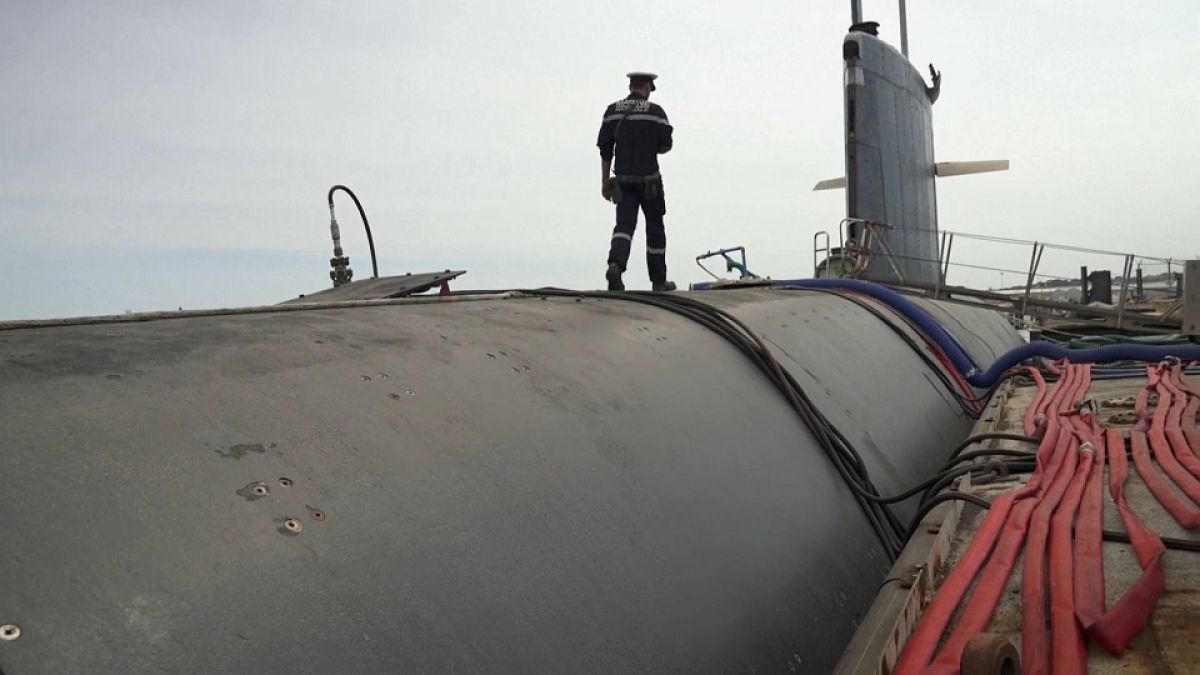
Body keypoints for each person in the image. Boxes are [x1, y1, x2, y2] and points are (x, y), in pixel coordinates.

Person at [596, 71, 676, 291]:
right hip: (650, 182)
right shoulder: (656, 112)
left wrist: (605, 182)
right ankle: (658, 281)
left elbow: (605, 149)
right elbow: (666, 146)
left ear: (631, 86)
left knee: (624, 226)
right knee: (655, 227)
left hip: (622, 180)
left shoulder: (612, 111)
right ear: (647, 86)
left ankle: (615, 266)